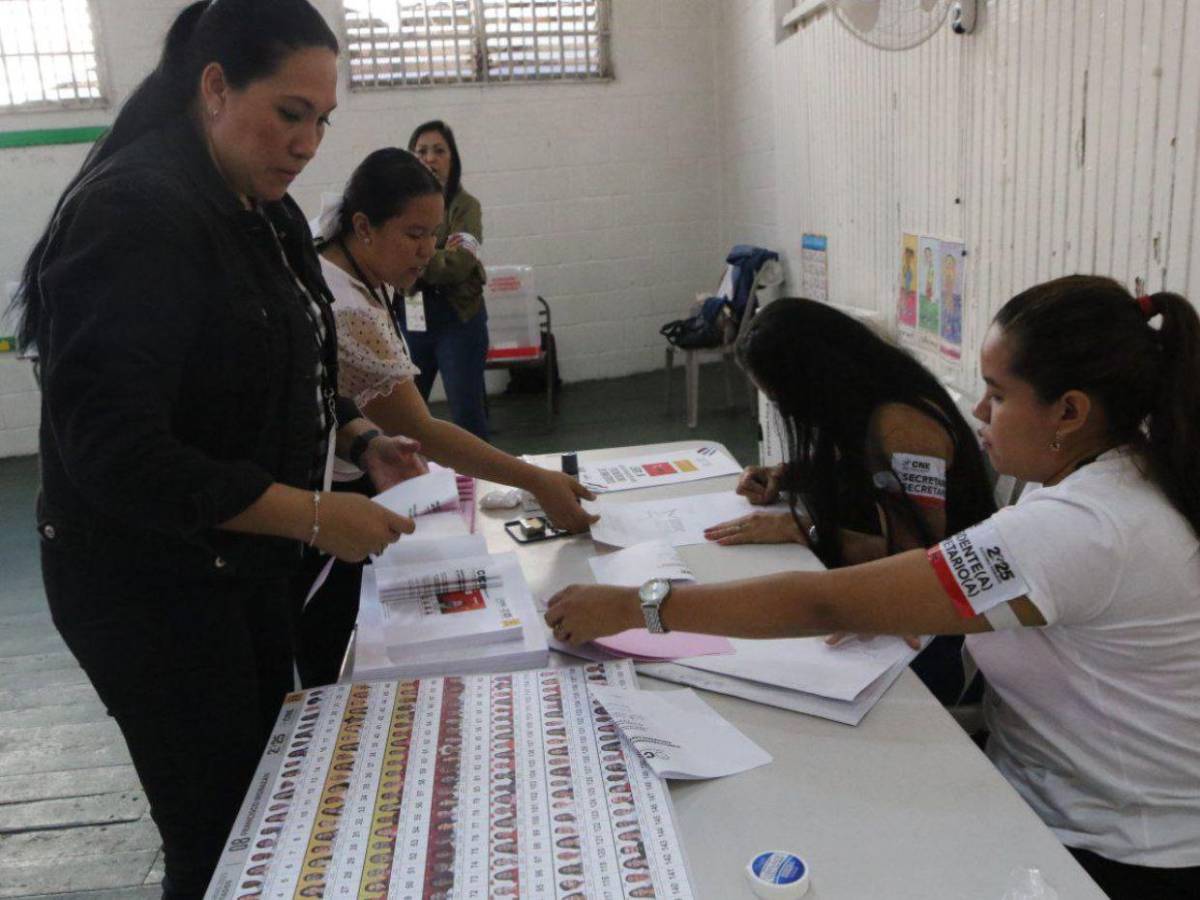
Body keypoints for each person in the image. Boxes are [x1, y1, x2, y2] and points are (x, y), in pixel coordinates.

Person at [546, 276, 1200, 899]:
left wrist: (637, 605)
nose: (977, 411)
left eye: (997, 394)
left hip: (1112, 851)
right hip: (1037, 783)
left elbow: (822, 599)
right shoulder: (1113, 477)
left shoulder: (1086, 526)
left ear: (1070, 411)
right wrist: (892, 590)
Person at [11, 2, 419, 896]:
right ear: (214, 88)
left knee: (271, 799)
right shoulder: (136, 212)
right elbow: (114, 454)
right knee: (221, 825)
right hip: (147, 585)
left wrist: (360, 436)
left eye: (322, 120)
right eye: (289, 112)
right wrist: (314, 515)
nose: (308, 141)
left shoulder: (257, 205)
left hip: (242, 562)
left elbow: (277, 362)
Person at [295, 147, 596, 686]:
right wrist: (536, 481)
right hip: (320, 506)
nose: (427, 251)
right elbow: (422, 430)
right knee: (337, 665)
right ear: (362, 226)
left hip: (342, 473)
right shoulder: (347, 305)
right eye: (413, 234)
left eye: (435, 234)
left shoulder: (344, 262)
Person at [702, 297, 995, 704]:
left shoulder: (902, 429)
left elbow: (918, 559)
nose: (788, 412)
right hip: (903, 601)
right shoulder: (866, 400)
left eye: (784, 401)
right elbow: (852, 470)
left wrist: (804, 529)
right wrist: (785, 475)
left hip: (948, 624)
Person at [400, 120, 491, 439]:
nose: (430, 158)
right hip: (412, 321)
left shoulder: (466, 207)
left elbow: (461, 263)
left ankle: (483, 484)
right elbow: (391, 255)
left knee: (468, 417)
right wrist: (437, 251)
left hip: (459, 322)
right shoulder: (399, 208)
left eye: (439, 150)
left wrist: (413, 254)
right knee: (405, 420)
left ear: (452, 159)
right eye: (421, 150)